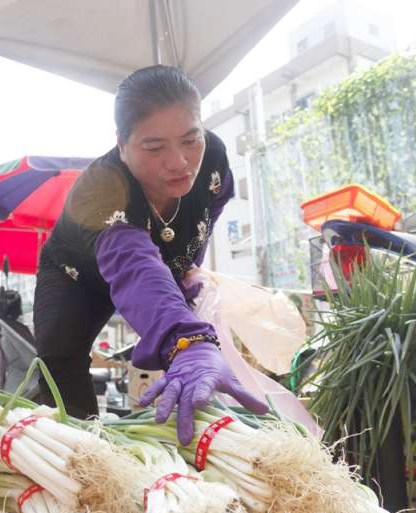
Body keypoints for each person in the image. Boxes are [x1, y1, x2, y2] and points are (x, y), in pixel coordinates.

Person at [34, 65, 268, 446]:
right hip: (77, 276)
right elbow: (134, 265)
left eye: (190, 139)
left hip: (157, 268)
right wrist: (187, 339)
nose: (179, 161)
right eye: (155, 147)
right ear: (122, 144)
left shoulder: (214, 157)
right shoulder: (100, 190)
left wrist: (188, 264)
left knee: (189, 366)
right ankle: (84, 456)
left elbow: (216, 201)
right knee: (57, 357)